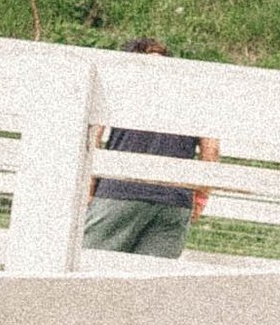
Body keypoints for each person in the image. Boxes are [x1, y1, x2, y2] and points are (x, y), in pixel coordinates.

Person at [82, 39, 218, 259]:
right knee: (150, 287)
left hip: (119, 194)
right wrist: (200, 198)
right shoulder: (194, 94)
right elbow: (211, 150)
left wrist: (89, 186)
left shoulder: (123, 87)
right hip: (174, 204)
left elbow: (94, 134)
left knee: (89, 273)